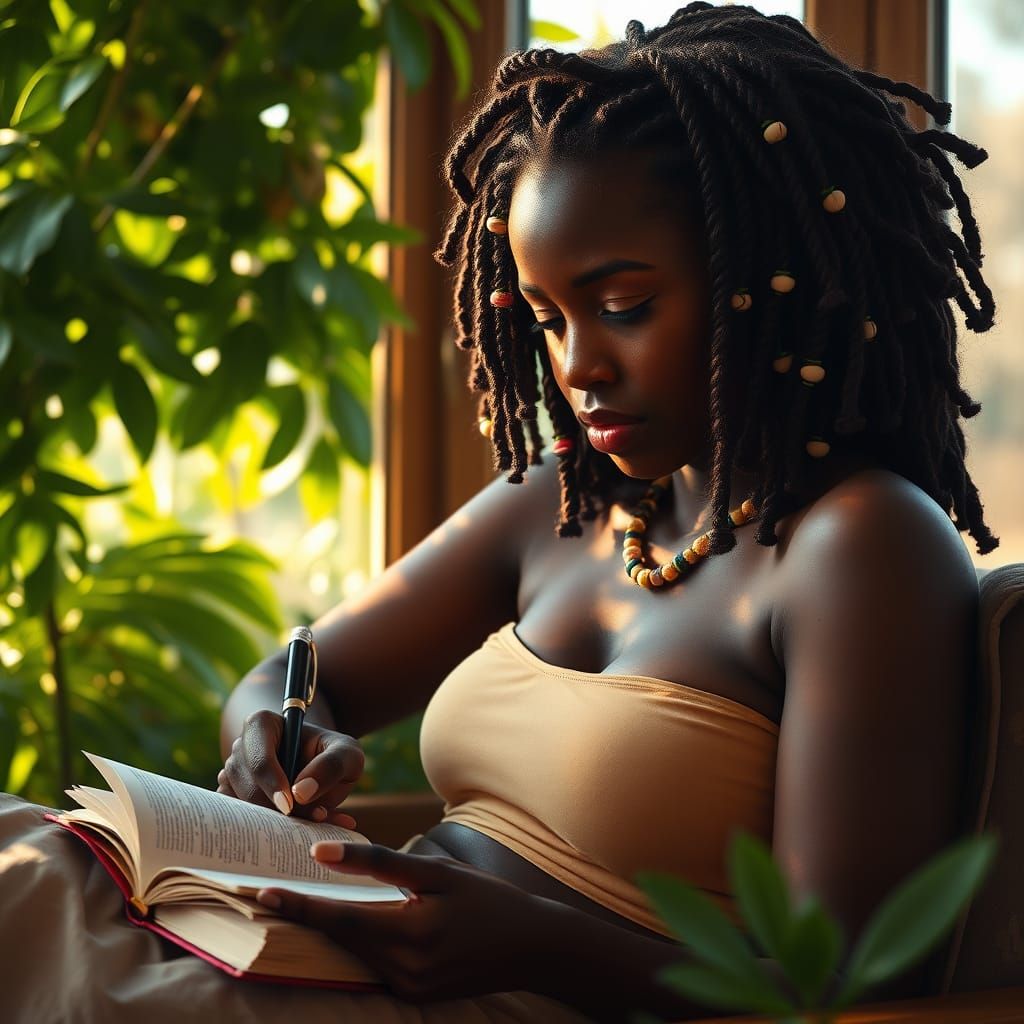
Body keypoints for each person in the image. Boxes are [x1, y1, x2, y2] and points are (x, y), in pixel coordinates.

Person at [0, 3, 997, 1022]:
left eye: (622, 306)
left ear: (771, 277)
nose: (578, 366)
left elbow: (843, 986)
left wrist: (534, 945)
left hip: (482, 1004)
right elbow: (298, 672)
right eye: (547, 318)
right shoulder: (565, 500)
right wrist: (273, 738)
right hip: (320, 954)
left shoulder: (862, 546)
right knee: (16, 853)